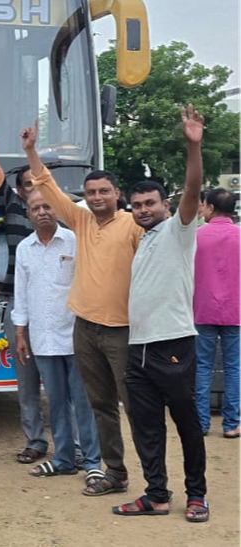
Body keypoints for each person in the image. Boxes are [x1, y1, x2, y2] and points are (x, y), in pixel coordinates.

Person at [22, 121, 144, 496]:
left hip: (122, 329)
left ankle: (142, 478)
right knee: (91, 403)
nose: (96, 197)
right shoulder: (81, 220)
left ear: (117, 193)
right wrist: (31, 151)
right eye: (90, 192)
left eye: (104, 191)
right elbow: (48, 187)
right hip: (84, 329)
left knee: (130, 405)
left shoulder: (133, 225)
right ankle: (96, 467)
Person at [113, 105, 209, 522]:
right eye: (136, 204)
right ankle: (156, 496)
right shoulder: (144, 239)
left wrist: (193, 147)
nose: (142, 209)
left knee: (186, 423)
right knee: (146, 426)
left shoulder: (178, 230)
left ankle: (197, 495)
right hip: (138, 348)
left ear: (165, 205)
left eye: (150, 203)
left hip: (173, 344)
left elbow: (193, 188)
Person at [0, 99, 48, 465]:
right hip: (20, 307)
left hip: (58, 307)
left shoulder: (66, 217)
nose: (36, 192)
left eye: (39, 183)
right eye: (28, 186)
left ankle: (75, 445)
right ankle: (35, 441)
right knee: (27, 380)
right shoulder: (13, 208)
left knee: (65, 380)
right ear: (19, 191)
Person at [12, 191, 102, 483]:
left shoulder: (75, 241)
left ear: (58, 210)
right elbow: (21, 294)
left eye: (47, 206)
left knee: (84, 401)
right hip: (42, 337)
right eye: (35, 208)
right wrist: (20, 332)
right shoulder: (25, 248)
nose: (42, 212)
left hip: (77, 336)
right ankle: (63, 459)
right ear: (28, 214)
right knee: (56, 401)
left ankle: (92, 461)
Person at [194, 187, 241, 438]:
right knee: (235, 368)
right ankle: (231, 423)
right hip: (236, 310)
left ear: (210, 208)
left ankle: (201, 423)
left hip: (203, 309)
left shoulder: (196, 237)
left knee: (202, 367)